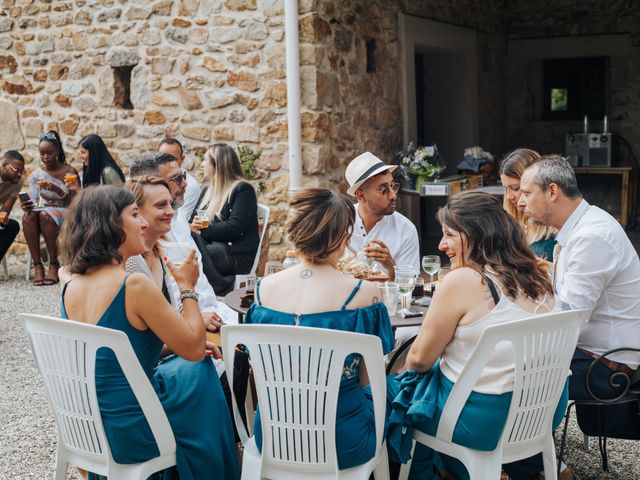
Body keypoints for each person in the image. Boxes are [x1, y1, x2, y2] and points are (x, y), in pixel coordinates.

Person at [58, 186, 240, 480]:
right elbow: (193, 349)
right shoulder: (134, 285)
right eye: (134, 215)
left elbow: (117, 351)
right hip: (133, 427)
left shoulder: (72, 286)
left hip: (90, 422)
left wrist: (173, 346)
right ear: (111, 226)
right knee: (200, 369)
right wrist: (186, 287)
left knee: (188, 371)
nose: (143, 222)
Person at [387, 191, 564, 480]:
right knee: (433, 384)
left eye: (449, 235)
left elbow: (418, 359)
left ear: (476, 236)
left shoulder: (465, 280)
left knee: (388, 390)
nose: (442, 245)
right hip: (542, 412)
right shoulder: (540, 273)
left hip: (485, 421)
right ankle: (448, 470)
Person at [244, 187, 394, 470]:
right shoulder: (364, 294)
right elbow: (367, 380)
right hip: (342, 441)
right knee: (395, 392)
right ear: (343, 235)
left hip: (275, 436)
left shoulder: (263, 290)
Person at [517, 157, 640, 474]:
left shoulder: (591, 236)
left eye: (526, 192)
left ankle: (538, 468)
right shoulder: (583, 226)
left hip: (609, 364)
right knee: (511, 359)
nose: (518, 201)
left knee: (514, 373)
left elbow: (567, 322)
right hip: (590, 350)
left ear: (552, 191)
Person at [129, 152, 236, 326]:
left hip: (212, 309)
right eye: (176, 179)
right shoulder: (141, 242)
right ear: (149, 183)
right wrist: (192, 316)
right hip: (189, 320)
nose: (185, 183)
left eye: (183, 176)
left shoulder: (176, 217)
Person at [190, 143, 259, 295]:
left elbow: (235, 227)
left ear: (217, 165)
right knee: (190, 244)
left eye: (205, 160)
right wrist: (194, 226)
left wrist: (202, 232)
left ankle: (218, 287)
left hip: (237, 256)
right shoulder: (207, 191)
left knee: (195, 249)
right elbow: (193, 220)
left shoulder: (242, 189)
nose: (201, 164)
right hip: (212, 248)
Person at [344, 151, 420, 280]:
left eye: (392, 186)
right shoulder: (339, 223)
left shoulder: (405, 229)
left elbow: (410, 286)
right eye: (384, 189)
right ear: (361, 196)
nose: (393, 195)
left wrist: (391, 266)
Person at [20, 131, 79, 286]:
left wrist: (54, 188)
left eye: (49, 153)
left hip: (66, 210)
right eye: (42, 154)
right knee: (27, 216)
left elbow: (74, 200)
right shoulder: (36, 175)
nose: (46, 157)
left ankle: (53, 264)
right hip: (44, 210)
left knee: (46, 216)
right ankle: (38, 266)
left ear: (57, 151)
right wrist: (26, 205)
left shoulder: (69, 172)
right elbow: (33, 202)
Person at [500, 148, 557, 261]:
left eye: (515, 188)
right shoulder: (509, 225)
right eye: (505, 189)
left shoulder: (556, 227)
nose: (509, 196)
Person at [159, 137, 201, 221]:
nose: (167, 163)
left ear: (182, 159)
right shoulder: (151, 181)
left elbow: (180, 222)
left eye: (172, 159)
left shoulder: (191, 187)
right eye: (163, 158)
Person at [0, 151, 25, 263]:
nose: (19, 174)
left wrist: (4, 216)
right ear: (4, 164)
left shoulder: (16, 182)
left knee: (12, 226)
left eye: (22, 171)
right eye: (17, 170)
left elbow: (6, 209)